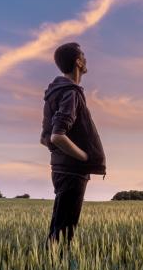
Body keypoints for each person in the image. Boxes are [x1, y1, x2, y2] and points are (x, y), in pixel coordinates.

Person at [41, 42, 106, 246]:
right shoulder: (71, 93)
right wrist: (84, 157)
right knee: (64, 232)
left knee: (59, 227)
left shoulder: (55, 93)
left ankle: (49, 269)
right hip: (72, 170)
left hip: (60, 168)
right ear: (78, 61)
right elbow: (56, 136)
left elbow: (45, 137)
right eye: (83, 56)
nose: (86, 59)